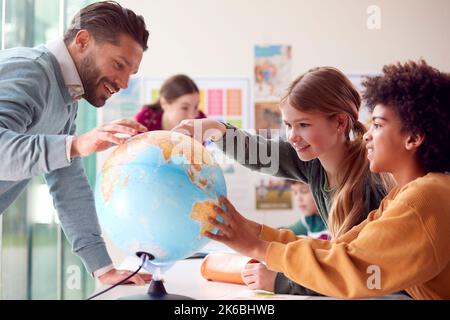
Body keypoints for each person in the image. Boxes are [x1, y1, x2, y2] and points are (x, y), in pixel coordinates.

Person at [204, 60, 450, 299]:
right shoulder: (406, 195)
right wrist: (254, 232)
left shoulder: (424, 197)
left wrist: (259, 249)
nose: (367, 136)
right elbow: (339, 250)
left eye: (377, 125)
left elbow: (352, 268)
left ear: (413, 138)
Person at [174, 66, 391, 295]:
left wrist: (284, 282)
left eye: (303, 125)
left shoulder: (370, 183)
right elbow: (259, 154)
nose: (292, 136)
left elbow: (356, 271)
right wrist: (214, 128)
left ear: (339, 123)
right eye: (288, 125)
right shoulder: (312, 161)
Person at [0, 1, 152, 285]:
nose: (123, 83)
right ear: (83, 41)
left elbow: (68, 182)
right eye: (118, 65)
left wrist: (102, 267)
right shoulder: (29, 72)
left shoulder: (67, 96)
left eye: (130, 74)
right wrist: (75, 144)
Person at [242, 180, 329, 292]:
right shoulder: (309, 219)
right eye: (295, 192)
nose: (299, 198)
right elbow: (284, 232)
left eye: (304, 191)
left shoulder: (334, 219)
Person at [135, 74, 206, 131]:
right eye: (184, 108)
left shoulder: (201, 121)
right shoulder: (145, 120)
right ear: (164, 103)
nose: (192, 116)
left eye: (196, 106)